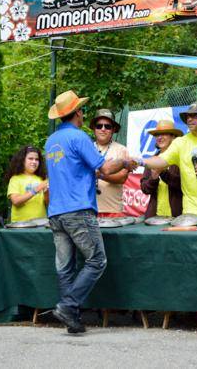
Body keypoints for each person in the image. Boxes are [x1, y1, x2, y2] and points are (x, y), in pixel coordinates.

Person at [44, 90, 137, 334]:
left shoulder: (51, 141)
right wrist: (126, 163)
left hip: (55, 212)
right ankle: (68, 305)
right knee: (97, 260)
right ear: (77, 113)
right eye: (82, 110)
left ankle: (71, 319)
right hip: (78, 210)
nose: (83, 114)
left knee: (65, 267)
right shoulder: (79, 137)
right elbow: (105, 167)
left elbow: (74, 171)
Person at [90, 109, 130, 217]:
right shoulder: (86, 149)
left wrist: (100, 175)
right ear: (94, 128)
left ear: (113, 130)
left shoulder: (122, 150)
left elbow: (122, 178)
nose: (103, 129)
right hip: (88, 209)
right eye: (99, 126)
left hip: (113, 210)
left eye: (107, 126)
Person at [140, 119, 183, 218]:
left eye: (164, 134)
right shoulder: (152, 159)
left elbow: (183, 185)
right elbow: (145, 189)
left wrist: (163, 173)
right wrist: (153, 179)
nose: (159, 137)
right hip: (154, 217)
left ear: (173, 137)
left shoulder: (181, 158)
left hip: (177, 217)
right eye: (157, 134)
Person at [5, 145, 48, 222]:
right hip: (20, 226)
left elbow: (47, 203)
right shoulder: (15, 179)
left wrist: (46, 192)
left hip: (41, 224)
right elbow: (16, 201)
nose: (34, 162)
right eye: (30, 158)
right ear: (22, 160)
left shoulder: (41, 179)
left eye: (37, 159)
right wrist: (37, 189)